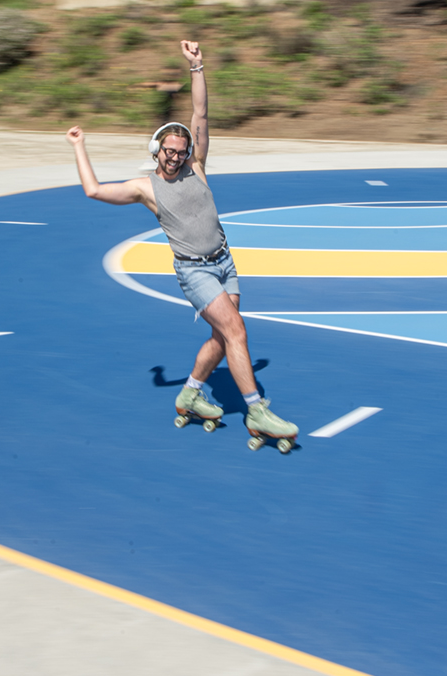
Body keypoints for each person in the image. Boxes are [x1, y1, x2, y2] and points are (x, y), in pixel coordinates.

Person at [66, 40, 297, 442]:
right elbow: (94, 190)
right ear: (156, 151)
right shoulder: (145, 188)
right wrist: (79, 146)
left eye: (180, 151)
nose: (174, 156)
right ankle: (256, 411)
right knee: (237, 331)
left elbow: (200, 113)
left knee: (223, 338)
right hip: (194, 272)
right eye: (168, 151)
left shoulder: (197, 167)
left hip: (225, 262)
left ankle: (190, 394)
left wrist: (196, 66)